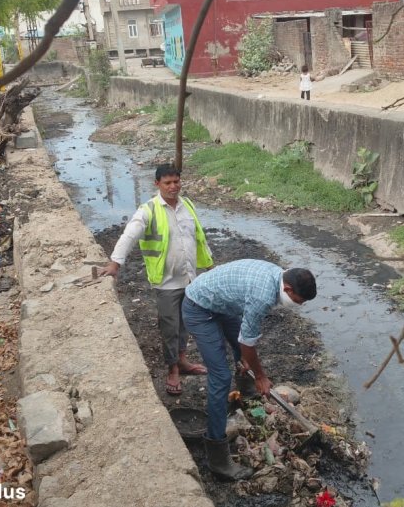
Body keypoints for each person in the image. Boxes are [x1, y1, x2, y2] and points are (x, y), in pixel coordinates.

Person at [182, 259, 317, 480]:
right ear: (288, 288)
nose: (299, 306)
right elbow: (248, 342)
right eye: (298, 301)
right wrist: (262, 377)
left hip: (221, 303)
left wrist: (246, 356)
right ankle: (217, 458)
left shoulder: (278, 276)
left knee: (241, 348)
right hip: (198, 308)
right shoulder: (263, 295)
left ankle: (247, 395)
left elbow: (246, 341)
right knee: (221, 377)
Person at [99, 163, 213, 395]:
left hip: (190, 279)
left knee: (185, 323)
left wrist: (209, 266)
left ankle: (182, 360)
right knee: (170, 326)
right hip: (166, 282)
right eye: (167, 183)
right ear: (157, 184)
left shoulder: (187, 205)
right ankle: (173, 369)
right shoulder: (148, 210)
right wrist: (115, 262)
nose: (173, 187)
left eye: (176, 182)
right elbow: (129, 235)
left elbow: (198, 238)